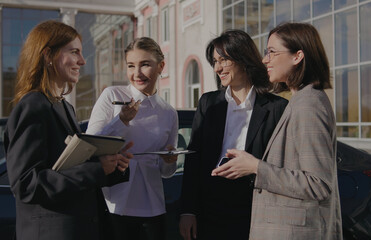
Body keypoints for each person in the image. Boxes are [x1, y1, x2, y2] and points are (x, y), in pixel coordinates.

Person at [212, 22, 343, 240]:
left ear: (297, 56)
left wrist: (255, 167)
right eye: (266, 53)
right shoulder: (300, 100)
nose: (265, 60)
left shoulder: (309, 104)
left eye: (272, 52)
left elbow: (318, 184)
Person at [4, 20, 132, 240]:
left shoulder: (65, 107)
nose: (82, 61)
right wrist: (97, 169)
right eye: (74, 52)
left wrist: (111, 166)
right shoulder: (33, 106)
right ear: (47, 55)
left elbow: (71, 168)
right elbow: (26, 184)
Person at [179, 29, 289, 240]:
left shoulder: (277, 108)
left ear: (243, 59)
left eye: (224, 60)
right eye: (214, 62)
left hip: (255, 211)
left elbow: (282, 166)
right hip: (211, 211)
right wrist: (188, 211)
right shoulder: (208, 103)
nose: (218, 67)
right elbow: (194, 160)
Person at [86, 37, 178, 240]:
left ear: (161, 66)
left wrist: (170, 160)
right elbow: (91, 145)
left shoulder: (169, 112)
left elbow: (166, 172)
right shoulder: (112, 95)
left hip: (153, 205)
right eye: (131, 66)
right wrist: (121, 120)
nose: (137, 73)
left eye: (145, 64)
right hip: (113, 201)